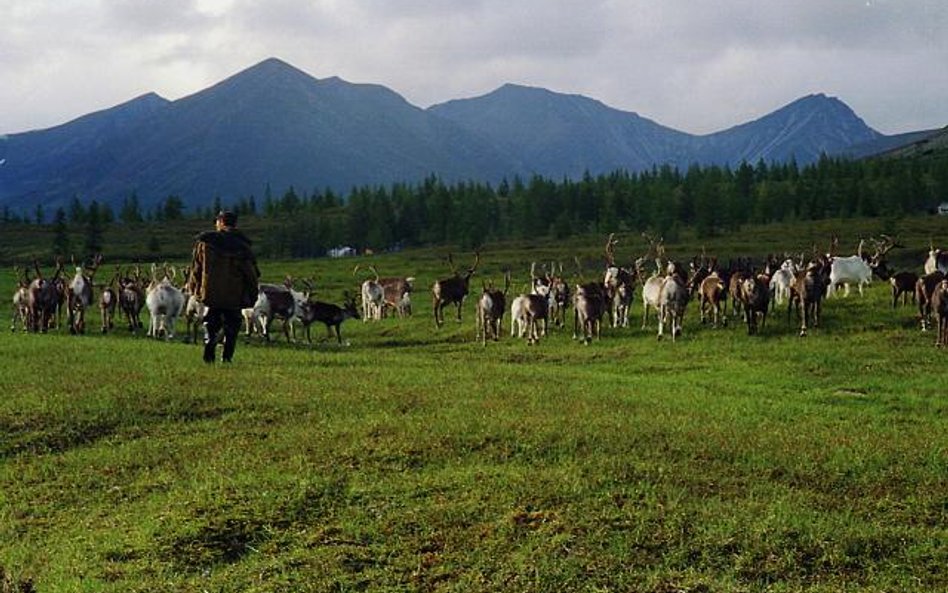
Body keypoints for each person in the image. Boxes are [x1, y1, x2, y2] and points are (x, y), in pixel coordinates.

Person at [187, 210, 260, 363]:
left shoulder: (205, 243)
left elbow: (196, 269)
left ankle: (210, 346)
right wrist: (252, 293)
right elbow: (251, 273)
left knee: (211, 322)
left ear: (220, 222)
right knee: (232, 325)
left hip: (210, 292)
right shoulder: (242, 245)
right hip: (234, 293)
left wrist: (194, 289)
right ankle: (226, 357)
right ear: (234, 224)